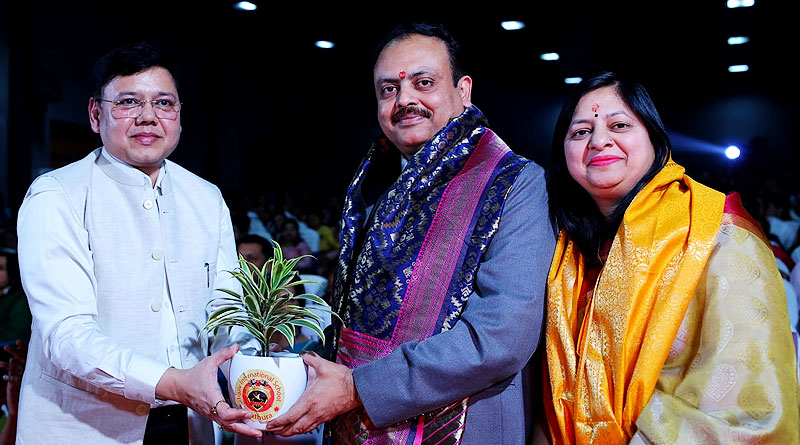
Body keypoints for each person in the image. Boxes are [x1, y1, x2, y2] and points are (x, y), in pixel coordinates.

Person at [265, 23, 556, 443]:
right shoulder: (374, 183)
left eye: (424, 83)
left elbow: (500, 338)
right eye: (389, 89)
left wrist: (359, 388)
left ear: (464, 91)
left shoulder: (515, 183)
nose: (404, 100)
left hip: (464, 423)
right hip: (354, 421)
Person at [15, 42, 262, 444]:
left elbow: (226, 310)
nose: (148, 117)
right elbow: (67, 334)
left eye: (164, 103)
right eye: (128, 102)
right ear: (96, 114)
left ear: (179, 115)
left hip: (190, 422)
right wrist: (173, 382)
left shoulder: (205, 197)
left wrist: (259, 369)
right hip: (85, 427)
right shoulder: (57, 195)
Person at [543, 72, 800, 443]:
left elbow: (750, 408)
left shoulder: (717, 234)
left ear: (654, 138)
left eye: (619, 125)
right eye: (581, 132)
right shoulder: (567, 251)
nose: (599, 141)